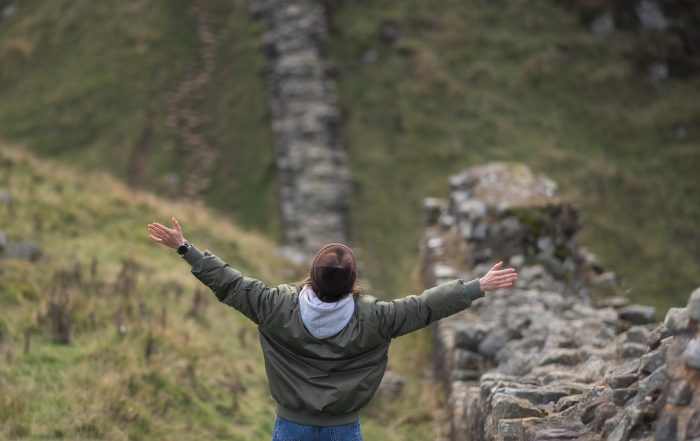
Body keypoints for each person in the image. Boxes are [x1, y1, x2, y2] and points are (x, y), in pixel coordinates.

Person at [147, 217, 517, 441]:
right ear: (353, 282)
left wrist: (185, 248)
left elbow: (228, 282)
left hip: (291, 427)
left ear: (311, 273)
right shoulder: (377, 318)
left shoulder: (274, 305)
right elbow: (424, 306)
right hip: (344, 429)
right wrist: (476, 286)